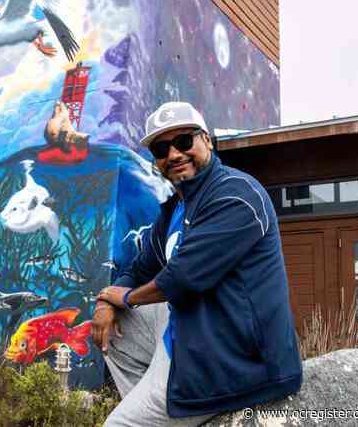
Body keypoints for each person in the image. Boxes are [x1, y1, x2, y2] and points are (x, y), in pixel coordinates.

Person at [94, 101, 302, 426]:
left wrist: (122, 297)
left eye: (184, 141)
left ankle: (169, 409)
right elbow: (139, 268)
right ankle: (167, 412)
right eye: (162, 148)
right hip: (190, 330)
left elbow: (184, 279)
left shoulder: (235, 195)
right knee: (113, 331)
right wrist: (105, 304)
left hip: (235, 357)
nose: (174, 154)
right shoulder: (176, 207)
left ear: (206, 139)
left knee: (118, 425)